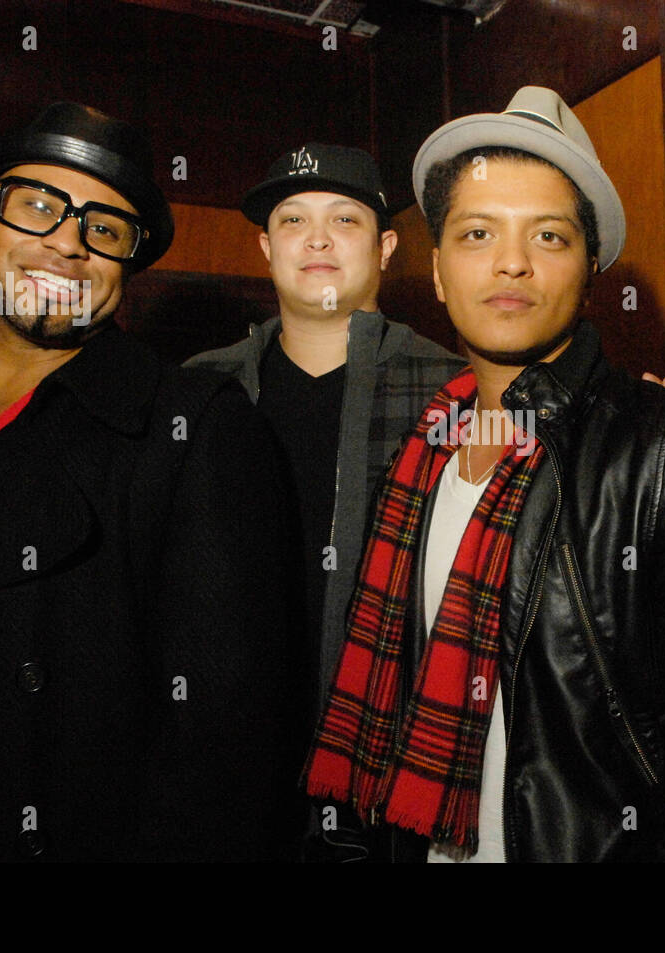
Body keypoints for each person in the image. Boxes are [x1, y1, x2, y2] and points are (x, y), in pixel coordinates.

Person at [304, 87, 665, 862]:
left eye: (549, 235)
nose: (512, 262)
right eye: (477, 233)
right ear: (436, 271)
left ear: (590, 268)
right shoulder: (416, 457)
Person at [0, 102, 300, 861]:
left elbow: (220, 760)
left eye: (104, 229)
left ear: (127, 266)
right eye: (38, 207)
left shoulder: (195, 433)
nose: (65, 245)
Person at [184, 143, 463, 858]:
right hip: (234, 778)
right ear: (265, 246)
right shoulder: (197, 390)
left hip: (396, 776)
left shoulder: (453, 389)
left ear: (388, 247)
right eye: (292, 220)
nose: (316, 239)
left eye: (344, 219)